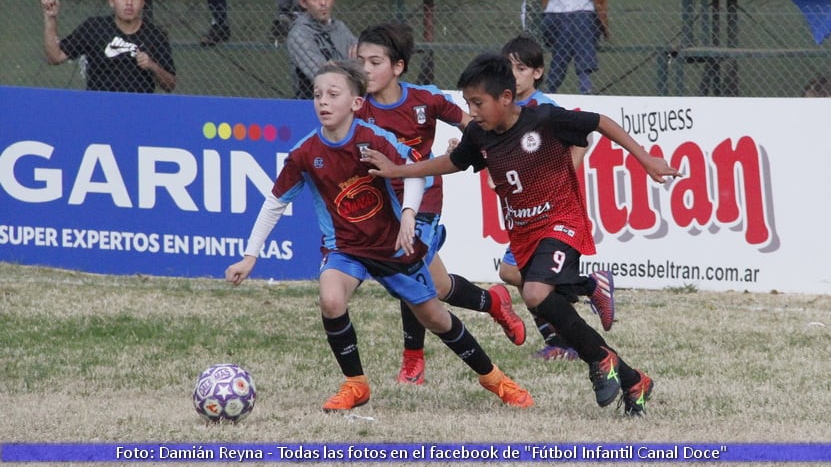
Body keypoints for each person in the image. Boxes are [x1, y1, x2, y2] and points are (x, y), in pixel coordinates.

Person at [362, 53, 682, 415]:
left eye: (478, 103)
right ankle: (630, 377)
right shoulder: (480, 135)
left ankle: (599, 358)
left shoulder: (543, 119)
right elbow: (453, 163)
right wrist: (398, 170)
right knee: (539, 297)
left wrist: (645, 158)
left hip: (562, 219)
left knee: (533, 292)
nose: (473, 111)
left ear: (506, 98)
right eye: (468, 103)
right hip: (524, 232)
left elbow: (600, 122)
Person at [224, 60, 534, 411]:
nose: (323, 102)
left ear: (356, 104)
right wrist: (251, 255)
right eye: (317, 95)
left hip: (394, 248)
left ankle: (495, 379)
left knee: (435, 317)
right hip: (346, 249)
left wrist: (407, 216)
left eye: (333, 94)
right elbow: (275, 202)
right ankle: (355, 385)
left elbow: (415, 175)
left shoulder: (374, 139)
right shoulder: (305, 154)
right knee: (330, 299)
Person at [355, 23, 526, 385]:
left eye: (374, 61)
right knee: (440, 287)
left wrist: (466, 146)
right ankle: (494, 302)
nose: (365, 70)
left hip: (425, 198)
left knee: (406, 264)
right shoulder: (357, 108)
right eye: (360, 62)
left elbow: (472, 123)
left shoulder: (425, 99)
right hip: (383, 206)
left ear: (398, 66)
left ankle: (413, 360)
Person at [498, 32, 613, 363]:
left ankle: (587, 292)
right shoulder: (507, 108)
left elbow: (582, 139)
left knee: (524, 277)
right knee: (515, 274)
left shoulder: (545, 108)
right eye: (508, 68)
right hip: (525, 211)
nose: (514, 75)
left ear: (537, 72)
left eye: (520, 68)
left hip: (551, 211)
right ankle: (562, 334)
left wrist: (561, 177)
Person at [41, 0, 176, 93]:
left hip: (139, 109)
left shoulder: (155, 35)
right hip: (98, 106)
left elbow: (170, 85)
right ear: (112, 1)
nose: (129, 3)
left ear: (142, 3)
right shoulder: (94, 27)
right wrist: (50, 18)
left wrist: (152, 65)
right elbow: (55, 57)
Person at [286, 0, 356, 99]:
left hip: (347, 100)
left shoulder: (340, 27)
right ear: (303, 2)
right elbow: (324, 76)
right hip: (312, 103)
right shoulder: (299, 34)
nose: (323, 3)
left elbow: (365, 62)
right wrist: (353, 65)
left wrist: (336, 66)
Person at [540, 0, 608, 94]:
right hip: (561, 17)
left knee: (571, 29)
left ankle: (551, 85)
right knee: (575, 26)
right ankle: (585, 82)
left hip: (574, 17)